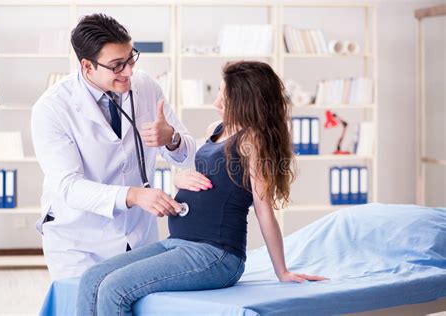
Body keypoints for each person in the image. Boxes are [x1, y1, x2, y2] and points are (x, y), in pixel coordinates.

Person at [76, 61, 326, 315]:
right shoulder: (215, 130)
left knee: (114, 289)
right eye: (218, 93)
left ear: (247, 101)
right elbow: (204, 179)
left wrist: (281, 271)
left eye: (226, 98)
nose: (217, 103)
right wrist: (179, 179)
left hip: (216, 254)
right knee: (92, 279)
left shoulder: (253, 142)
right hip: (177, 243)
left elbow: (264, 210)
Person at [31, 13, 196, 280]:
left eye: (131, 58)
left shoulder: (145, 86)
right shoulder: (51, 109)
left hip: (138, 234)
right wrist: (133, 195)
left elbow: (189, 155)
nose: (129, 71)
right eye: (117, 65)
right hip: (80, 242)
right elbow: (68, 186)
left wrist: (172, 139)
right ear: (87, 66)